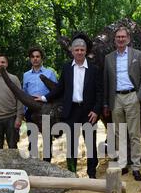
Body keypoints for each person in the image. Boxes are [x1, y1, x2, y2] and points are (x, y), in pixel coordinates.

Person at [37, 37, 102, 178]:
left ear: (86, 51)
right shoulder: (67, 68)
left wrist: (96, 111)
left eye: (82, 50)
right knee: (72, 144)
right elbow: (60, 88)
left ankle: (92, 173)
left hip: (88, 112)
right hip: (71, 111)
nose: (79, 52)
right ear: (72, 51)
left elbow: (99, 92)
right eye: (76, 50)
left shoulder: (94, 69)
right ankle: (72, 173)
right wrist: (44, 98)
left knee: (90, 143)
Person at [103, 26, 141, 181]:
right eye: (118, 37)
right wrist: (106, 104)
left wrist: (139, 96)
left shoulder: (137, 54)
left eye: (123, 37)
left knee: (134, 134)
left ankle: (136, 166)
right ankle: (122, 165)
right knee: (119, 133)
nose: (120, 39)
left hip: (131, 96)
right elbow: (106, 82)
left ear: (128, 38)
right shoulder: (109, 58)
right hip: (116, 99)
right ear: (114, 40)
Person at [22, 47, 57, 162]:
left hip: (45, 109)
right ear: (30, 59)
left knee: (47, 139)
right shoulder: (26, 75)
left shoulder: (49, 73)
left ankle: (47, 163)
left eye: (37, 56)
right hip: (31, 110)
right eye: (33, 57)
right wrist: (24, 110)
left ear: (41, 58)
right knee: (32, 138)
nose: (35, 59)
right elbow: (24, 92)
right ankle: (33, 162)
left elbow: (56, 91)